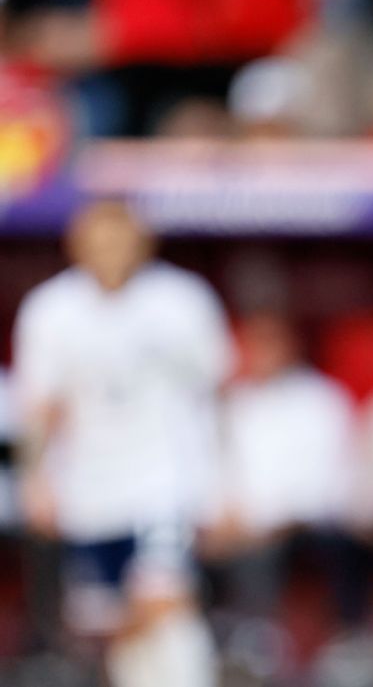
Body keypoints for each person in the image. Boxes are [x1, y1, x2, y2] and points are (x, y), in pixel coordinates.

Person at [11, 199, 230, 687]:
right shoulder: (51, 310)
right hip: (89, 491)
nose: (110, 253)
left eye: (120, 241)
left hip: (164, 481)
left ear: (143, 244)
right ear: (76, 247)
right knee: (107, 624)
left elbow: (215, 396)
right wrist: (36, 480)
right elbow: (40, 408)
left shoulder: (182, 302)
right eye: (98, 242)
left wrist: (225, 484)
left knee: (164, 604)